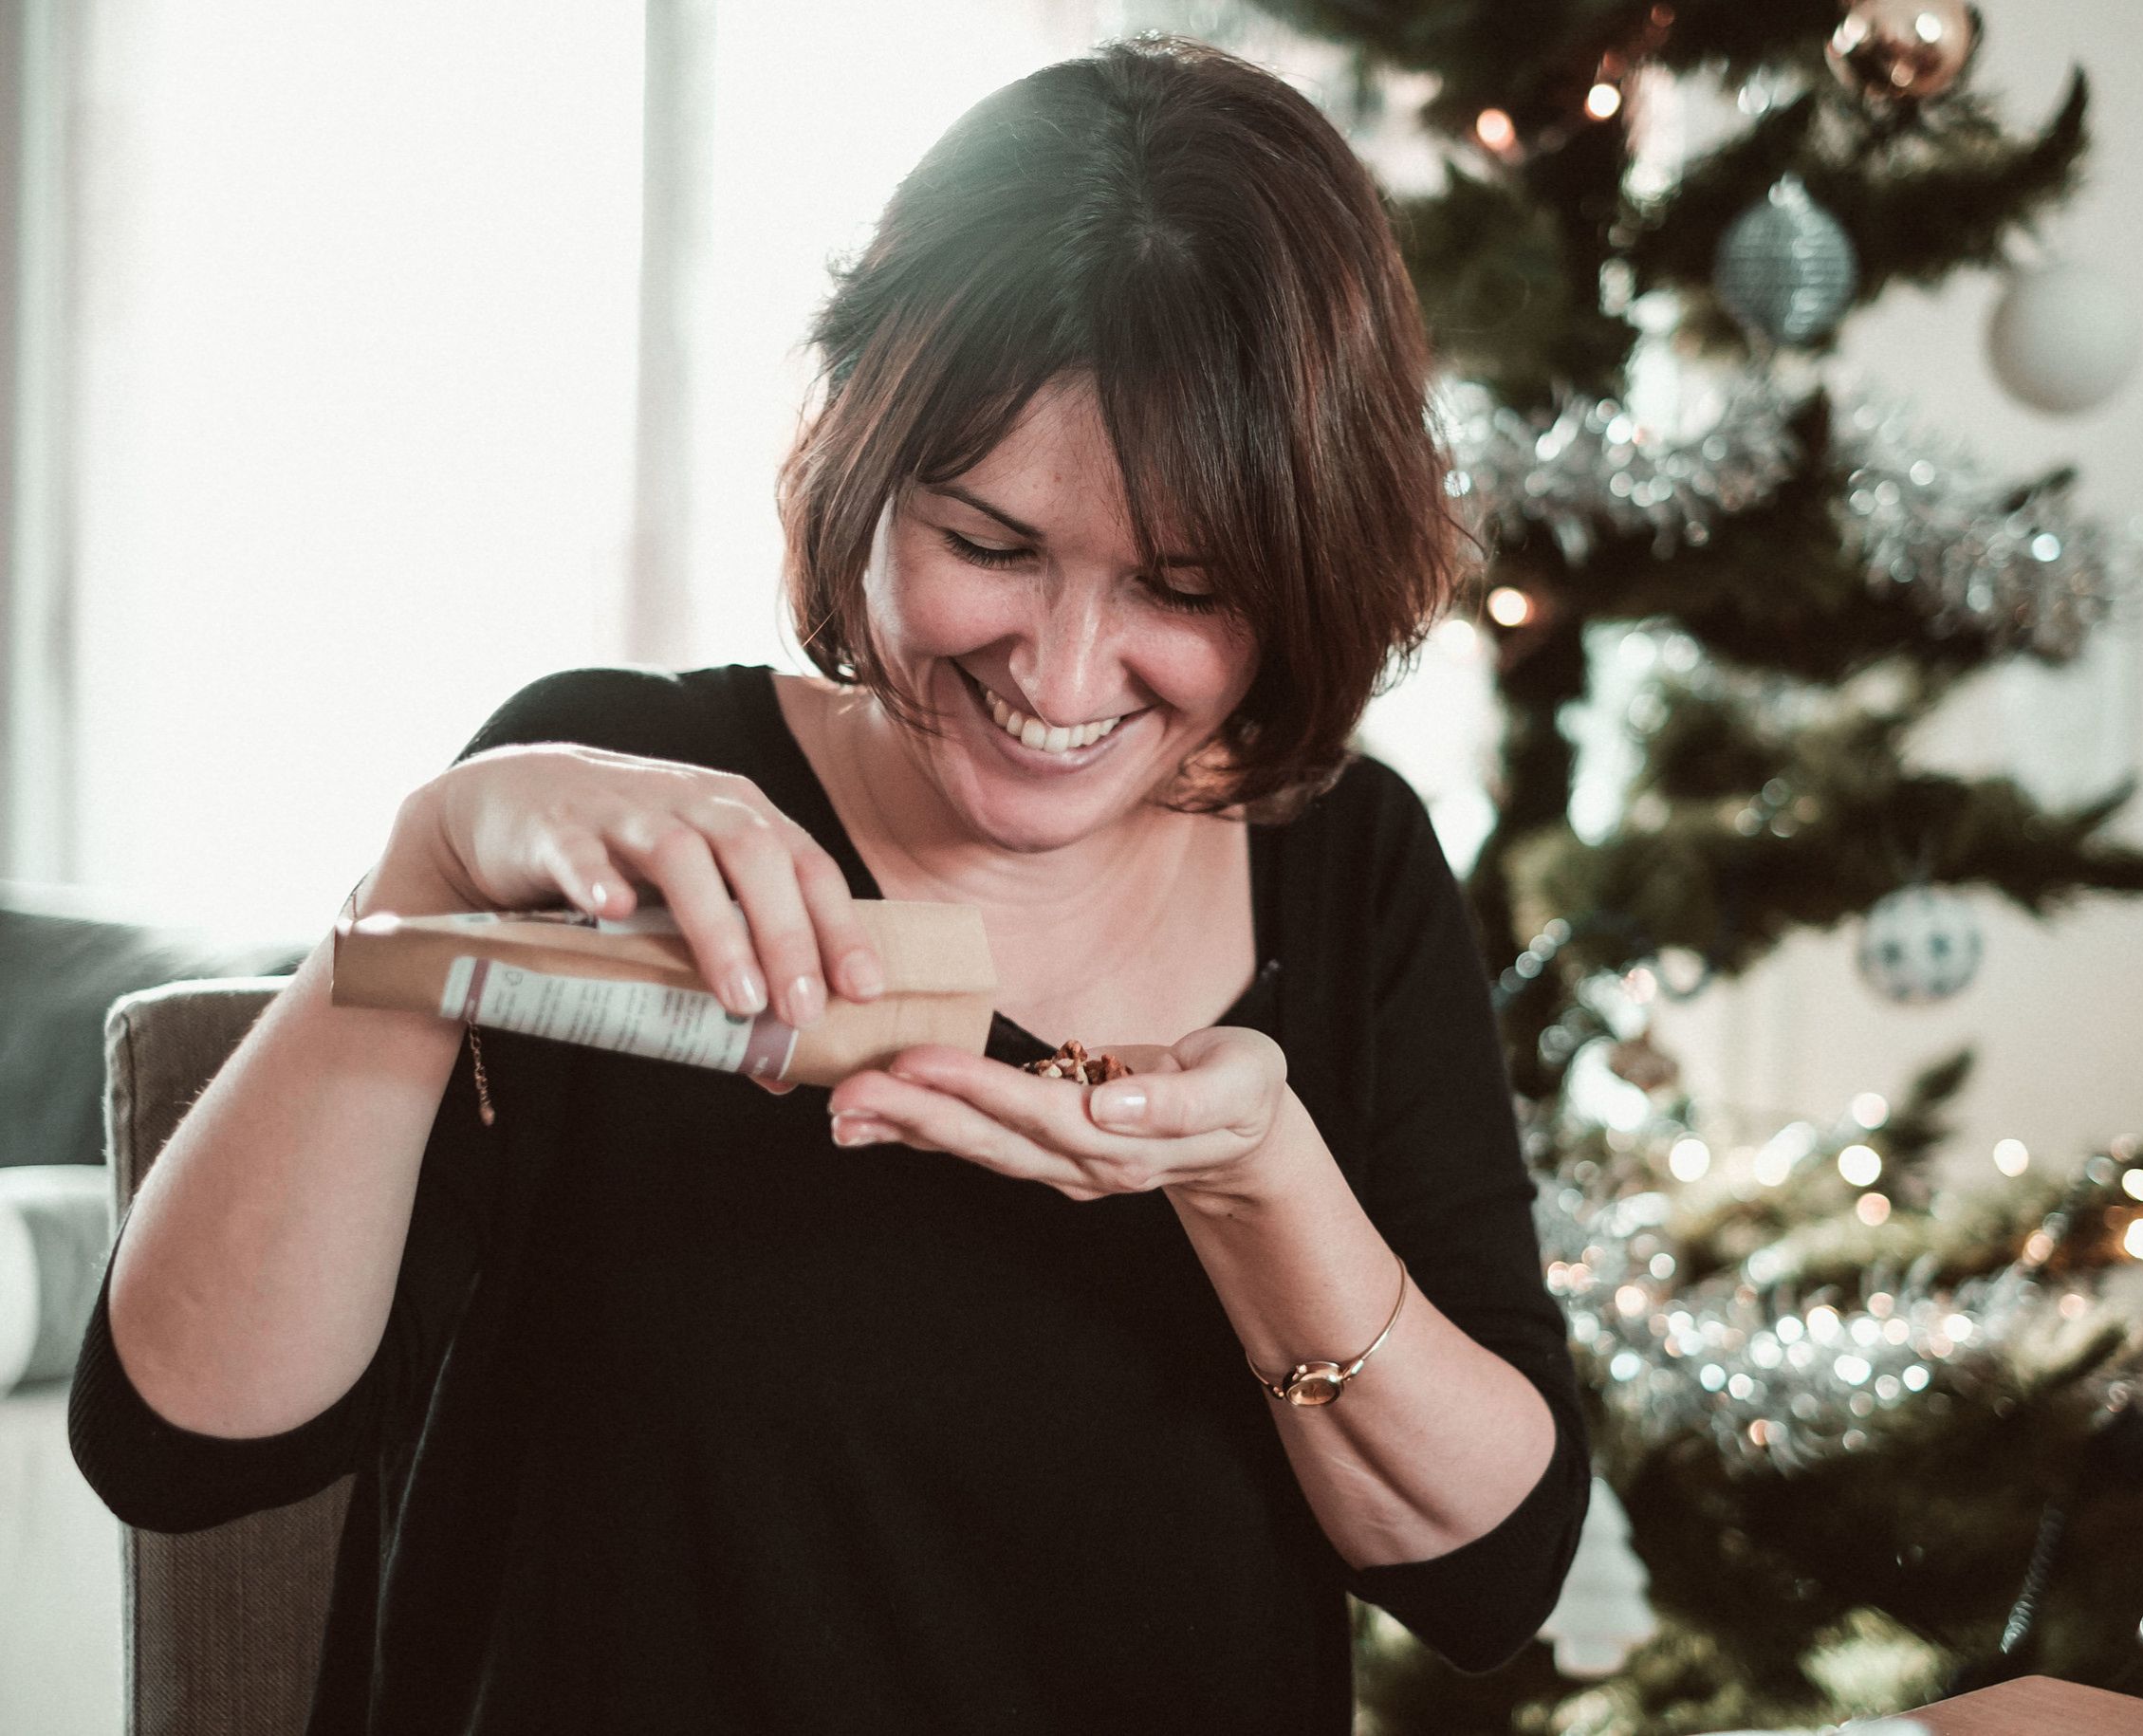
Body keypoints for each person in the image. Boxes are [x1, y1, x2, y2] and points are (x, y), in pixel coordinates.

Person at [68, 32, 1591, 1735]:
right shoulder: (609, 810)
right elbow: (180, 1446)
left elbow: (1488, 1575)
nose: (1062, 674)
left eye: (1185, 588)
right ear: (862, 456)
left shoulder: (1347, 866)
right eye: (990, 546)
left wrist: (1256, 1184)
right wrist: (422, 878)